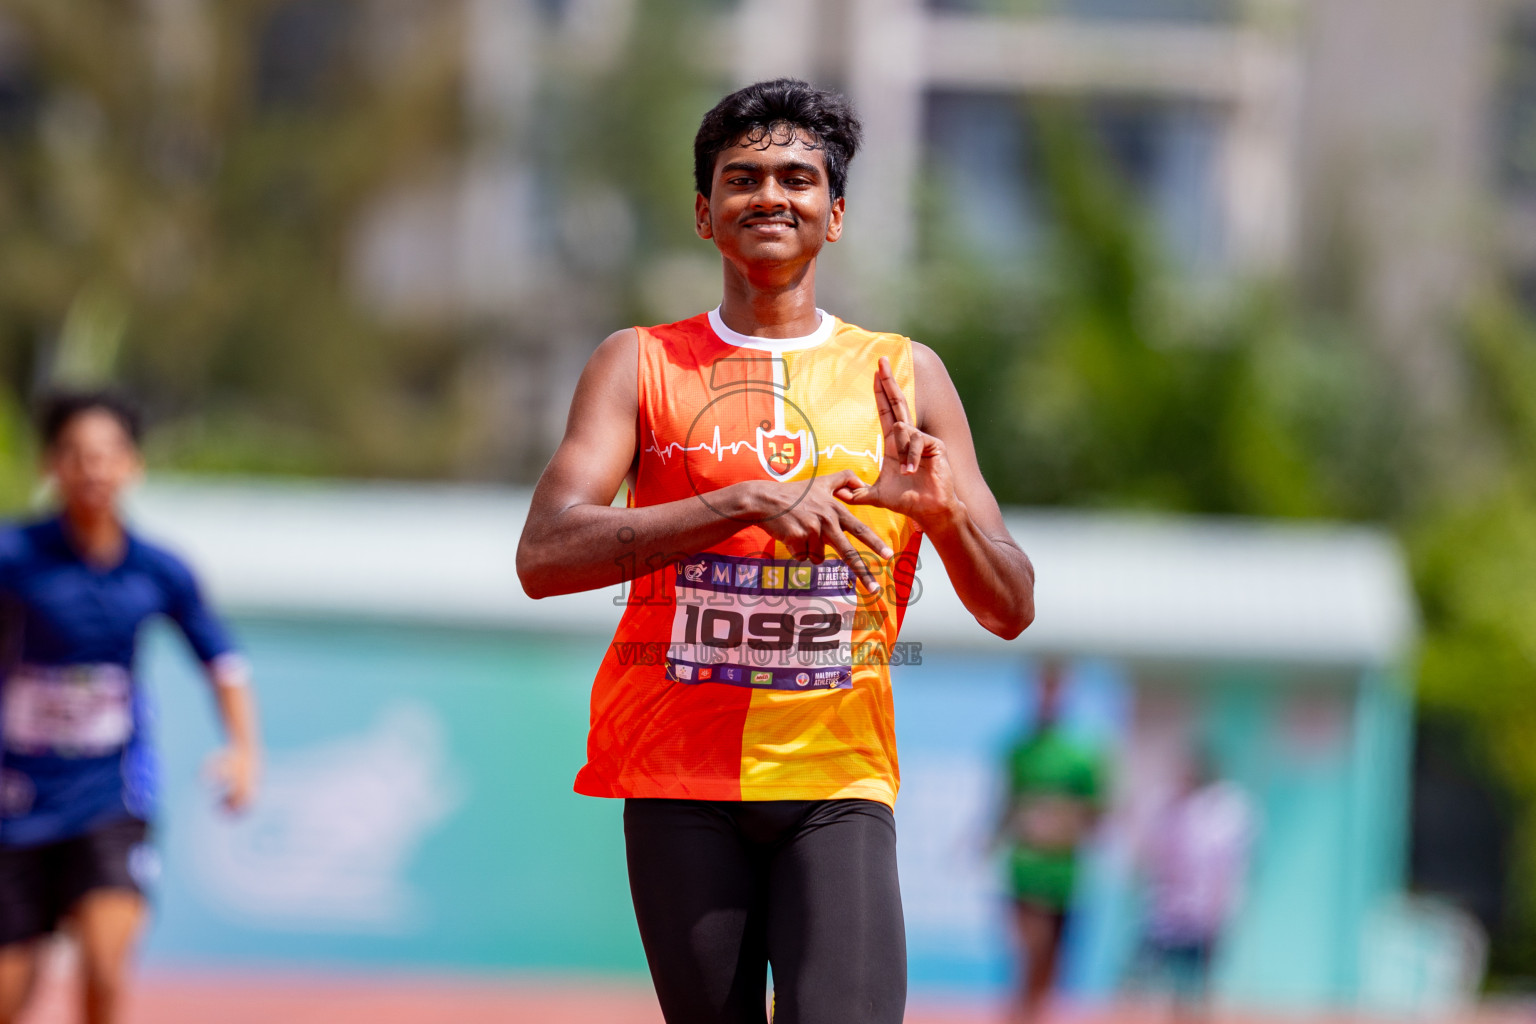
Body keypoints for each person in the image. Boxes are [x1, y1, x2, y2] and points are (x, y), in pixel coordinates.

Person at [517, 79, 1035, 1024]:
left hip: (837, 782)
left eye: (798, 179)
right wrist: (738, 502)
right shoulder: (637, 363)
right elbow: (545, 556)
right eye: (742, 177)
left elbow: (1011, 607)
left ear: (834, 215)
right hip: (680, 785)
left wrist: (948, 515)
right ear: (705, 212)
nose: (770, 196)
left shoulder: (903, 373)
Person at [0, 390, 260, 1024]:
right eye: (77, 455)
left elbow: (222, 662)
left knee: (105, 967)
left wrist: (244, 751)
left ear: (132, 466)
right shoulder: (14, 558)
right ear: (50, 466)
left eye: (108, 455)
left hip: (110, 798)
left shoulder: (159, 570)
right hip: (15, 802)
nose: (93, 470)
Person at [996, 662, 1106, 1024]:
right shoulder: (1018, 751)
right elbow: (1006, 806)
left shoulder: (1080, 756)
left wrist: (1058, 821)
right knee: (1030, 948)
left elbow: (1097, 815)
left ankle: (1032, 1013)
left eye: (1054, 690)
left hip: (1063, 873)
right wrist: (988, 840)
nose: (1047, 698)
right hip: (1024, 871)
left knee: (1051, 963)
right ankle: (1020, 1014)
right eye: (1042, 689)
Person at [1134, 753, 1257, 1021]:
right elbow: (1155, 855)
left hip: (1207, 910)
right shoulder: (1173, 808)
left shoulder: (1226, 809)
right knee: (1168, 976)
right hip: (1172, 910)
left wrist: (1218, 908)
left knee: (1200, 976)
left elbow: (1226, 865)